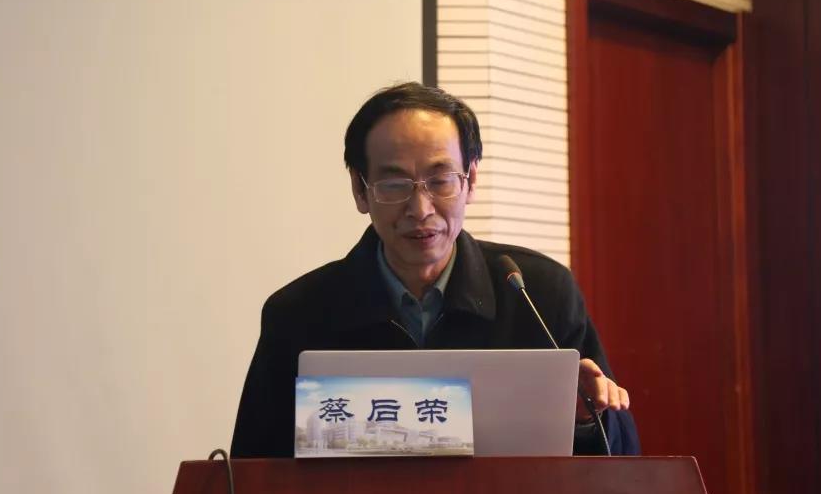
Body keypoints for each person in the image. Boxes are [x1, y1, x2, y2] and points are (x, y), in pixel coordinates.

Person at [231, 82, 640, 457]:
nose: (420, 209)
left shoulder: (538, 295)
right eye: (394, 185)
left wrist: (588, 420)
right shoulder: (298, 314)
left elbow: (622, 461)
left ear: (470, 181)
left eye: (440, 180)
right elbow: (252, 475)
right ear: (360, 189)